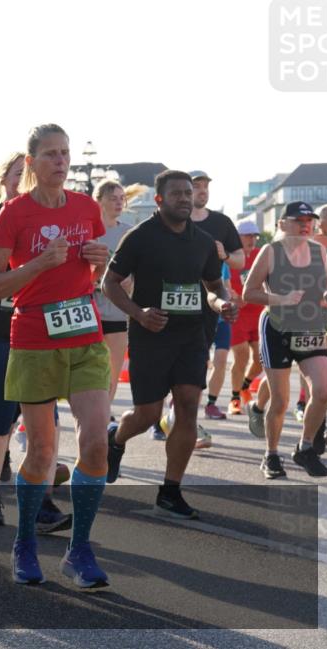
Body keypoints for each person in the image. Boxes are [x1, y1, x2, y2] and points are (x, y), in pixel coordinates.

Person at [0, 123, 111, 589]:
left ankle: (79, 550)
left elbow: (94, 268)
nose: (61, 161)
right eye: (51, 154)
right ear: (32, 162)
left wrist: (99, 258)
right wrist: (38, 264)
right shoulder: (14, 213)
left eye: (66, 153)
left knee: (96, 443)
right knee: (41, 452)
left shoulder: (86, 207)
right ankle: (25, 543)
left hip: (85, 335)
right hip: (34, 338)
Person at [103, 170, 237, 517]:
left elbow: (213, 286)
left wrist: (222, 304)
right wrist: (138, 313)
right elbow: (110, 283)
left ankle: (170, 490)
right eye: (176, 193)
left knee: (188, 406)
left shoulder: (204, 241)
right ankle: (115, 439)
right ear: (159, 199)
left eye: (188, 193)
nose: (184, 198)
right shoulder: (140, 237)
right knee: (148, 415)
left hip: (191, 335)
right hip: (151, 335)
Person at [0, 154, 72, 533]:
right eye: (15, 176)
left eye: (25, 176)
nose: (21, 182)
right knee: (2, 414)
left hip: (41, 330)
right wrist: (18, 262)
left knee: (49, 421)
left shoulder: (47, 219)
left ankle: (42, 501)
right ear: (4, 180)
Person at [242, 201, 327, 478]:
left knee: (323, 392)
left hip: (310, 328)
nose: (306, 225)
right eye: (299, 220)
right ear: (282, 224)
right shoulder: (271, 252)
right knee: (280, 400)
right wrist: (280, 298)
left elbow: (322, 289)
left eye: (310, 220)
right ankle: (271, 455)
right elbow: (249, 292)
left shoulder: (318, 250)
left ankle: (305, 447)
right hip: (277, 328)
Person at [188, 171, 243, 444]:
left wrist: (225, 255)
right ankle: (180, 417)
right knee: (193, 364)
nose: (202, 191)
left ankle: (200, 410)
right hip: (183, 303)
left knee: (213, 360)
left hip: (217, 303)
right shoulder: (175, 221)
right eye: (196, 186)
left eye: (205, 186)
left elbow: (240, 260)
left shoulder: (222, 222)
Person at [92, 180, 133, 421]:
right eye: (113, 198)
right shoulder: (89, 230)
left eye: (121, 198)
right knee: (93, 370)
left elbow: (140, 266)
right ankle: (94, 413)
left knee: (113, 370)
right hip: (91, 308)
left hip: (118, 310)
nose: (119, 202)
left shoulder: (129, 232)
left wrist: (131, 279)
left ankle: (104, 416)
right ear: (100, 202)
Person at [228, 221, 264, 415]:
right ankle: (234, 399)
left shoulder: (261, 255)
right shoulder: (231, 257)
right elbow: (221, 281)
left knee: (261, 360)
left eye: (254, 236)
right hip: (238, 313)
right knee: (241, 354)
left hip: (258, 312)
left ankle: (244, 385)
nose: (252, 239)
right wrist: (232, 294)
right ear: (238, 237)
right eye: (247, 235)